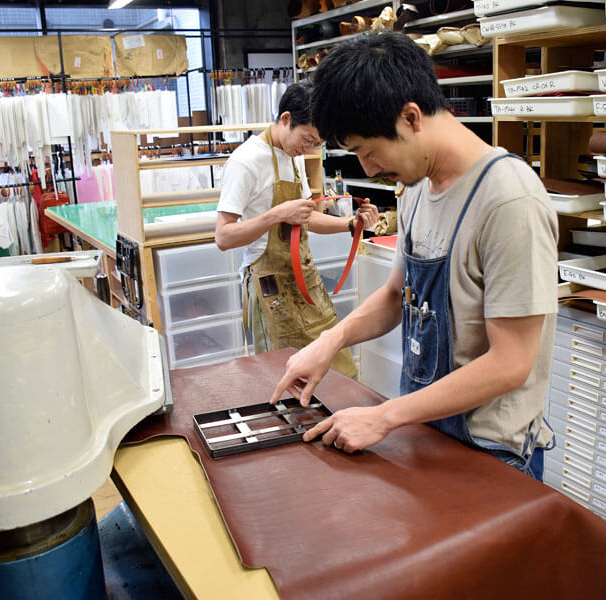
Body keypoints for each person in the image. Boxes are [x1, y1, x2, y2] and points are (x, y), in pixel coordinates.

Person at [270, 33, 558, 481]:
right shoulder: (418, 189)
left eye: (368, 151)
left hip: (491, 456)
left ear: (411, 117)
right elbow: (393, 295)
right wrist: (328, 342)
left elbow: (511, 361)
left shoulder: (509, 201)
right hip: (428, 430)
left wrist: (385, 416)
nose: (367, 169)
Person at [215, 80, 378, 378]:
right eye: (307, 140)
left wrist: (349, 224)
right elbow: (223, 236)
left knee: (338, 370)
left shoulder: (294, 156)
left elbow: (307, 218)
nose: (309, 150)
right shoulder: (245, 161)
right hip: (269, 288)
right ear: (286, 119)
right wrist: (276, 214)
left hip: (304, 281)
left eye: (317, 144)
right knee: (284, 378)